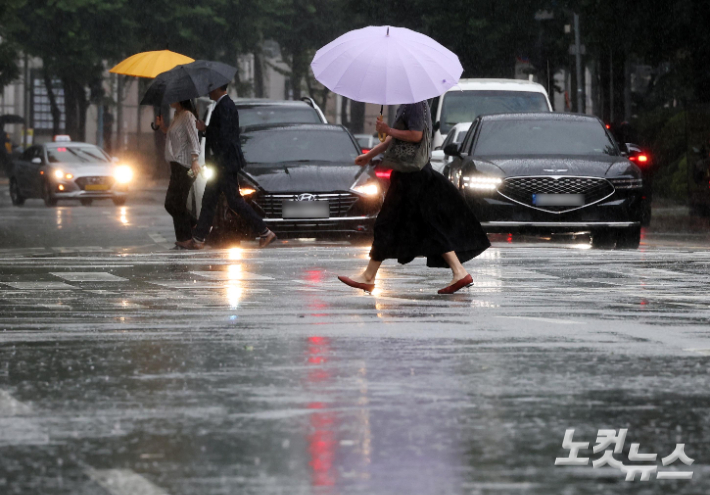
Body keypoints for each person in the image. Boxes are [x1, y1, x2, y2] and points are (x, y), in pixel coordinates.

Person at [337, 101, 490, 295]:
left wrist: (388, 129)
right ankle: (459, 272)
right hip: (409, 175)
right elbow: (396, 141)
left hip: (413, 177)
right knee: (428, 226)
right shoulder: (408, 104)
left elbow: (415, 135)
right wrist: (369, 155)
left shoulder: (415, 103)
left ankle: (368, 276)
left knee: (386, 224)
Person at [177, 84, 276, 250]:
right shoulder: (223, 105)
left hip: (224, 164)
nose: (208, 91)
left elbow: (223, 137)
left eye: (210, 88)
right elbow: (222, 132)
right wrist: (206, 129)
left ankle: (265, 232)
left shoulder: (225, 106)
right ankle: (199, 239)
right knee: (209, 200)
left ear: (217, 89)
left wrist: (205, 130)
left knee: (234, 201)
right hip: (222, 163)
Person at [155, 100, 200, 246]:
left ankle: (186, 237)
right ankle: (195, 228)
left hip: (186, 166)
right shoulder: (177, 115)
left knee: (174, 203)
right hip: (176, 166)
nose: (169, 99)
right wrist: (162, 128)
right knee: (175, 203)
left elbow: (194, 138)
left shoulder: (187, 115)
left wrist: (195, 160)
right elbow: (176, 138)